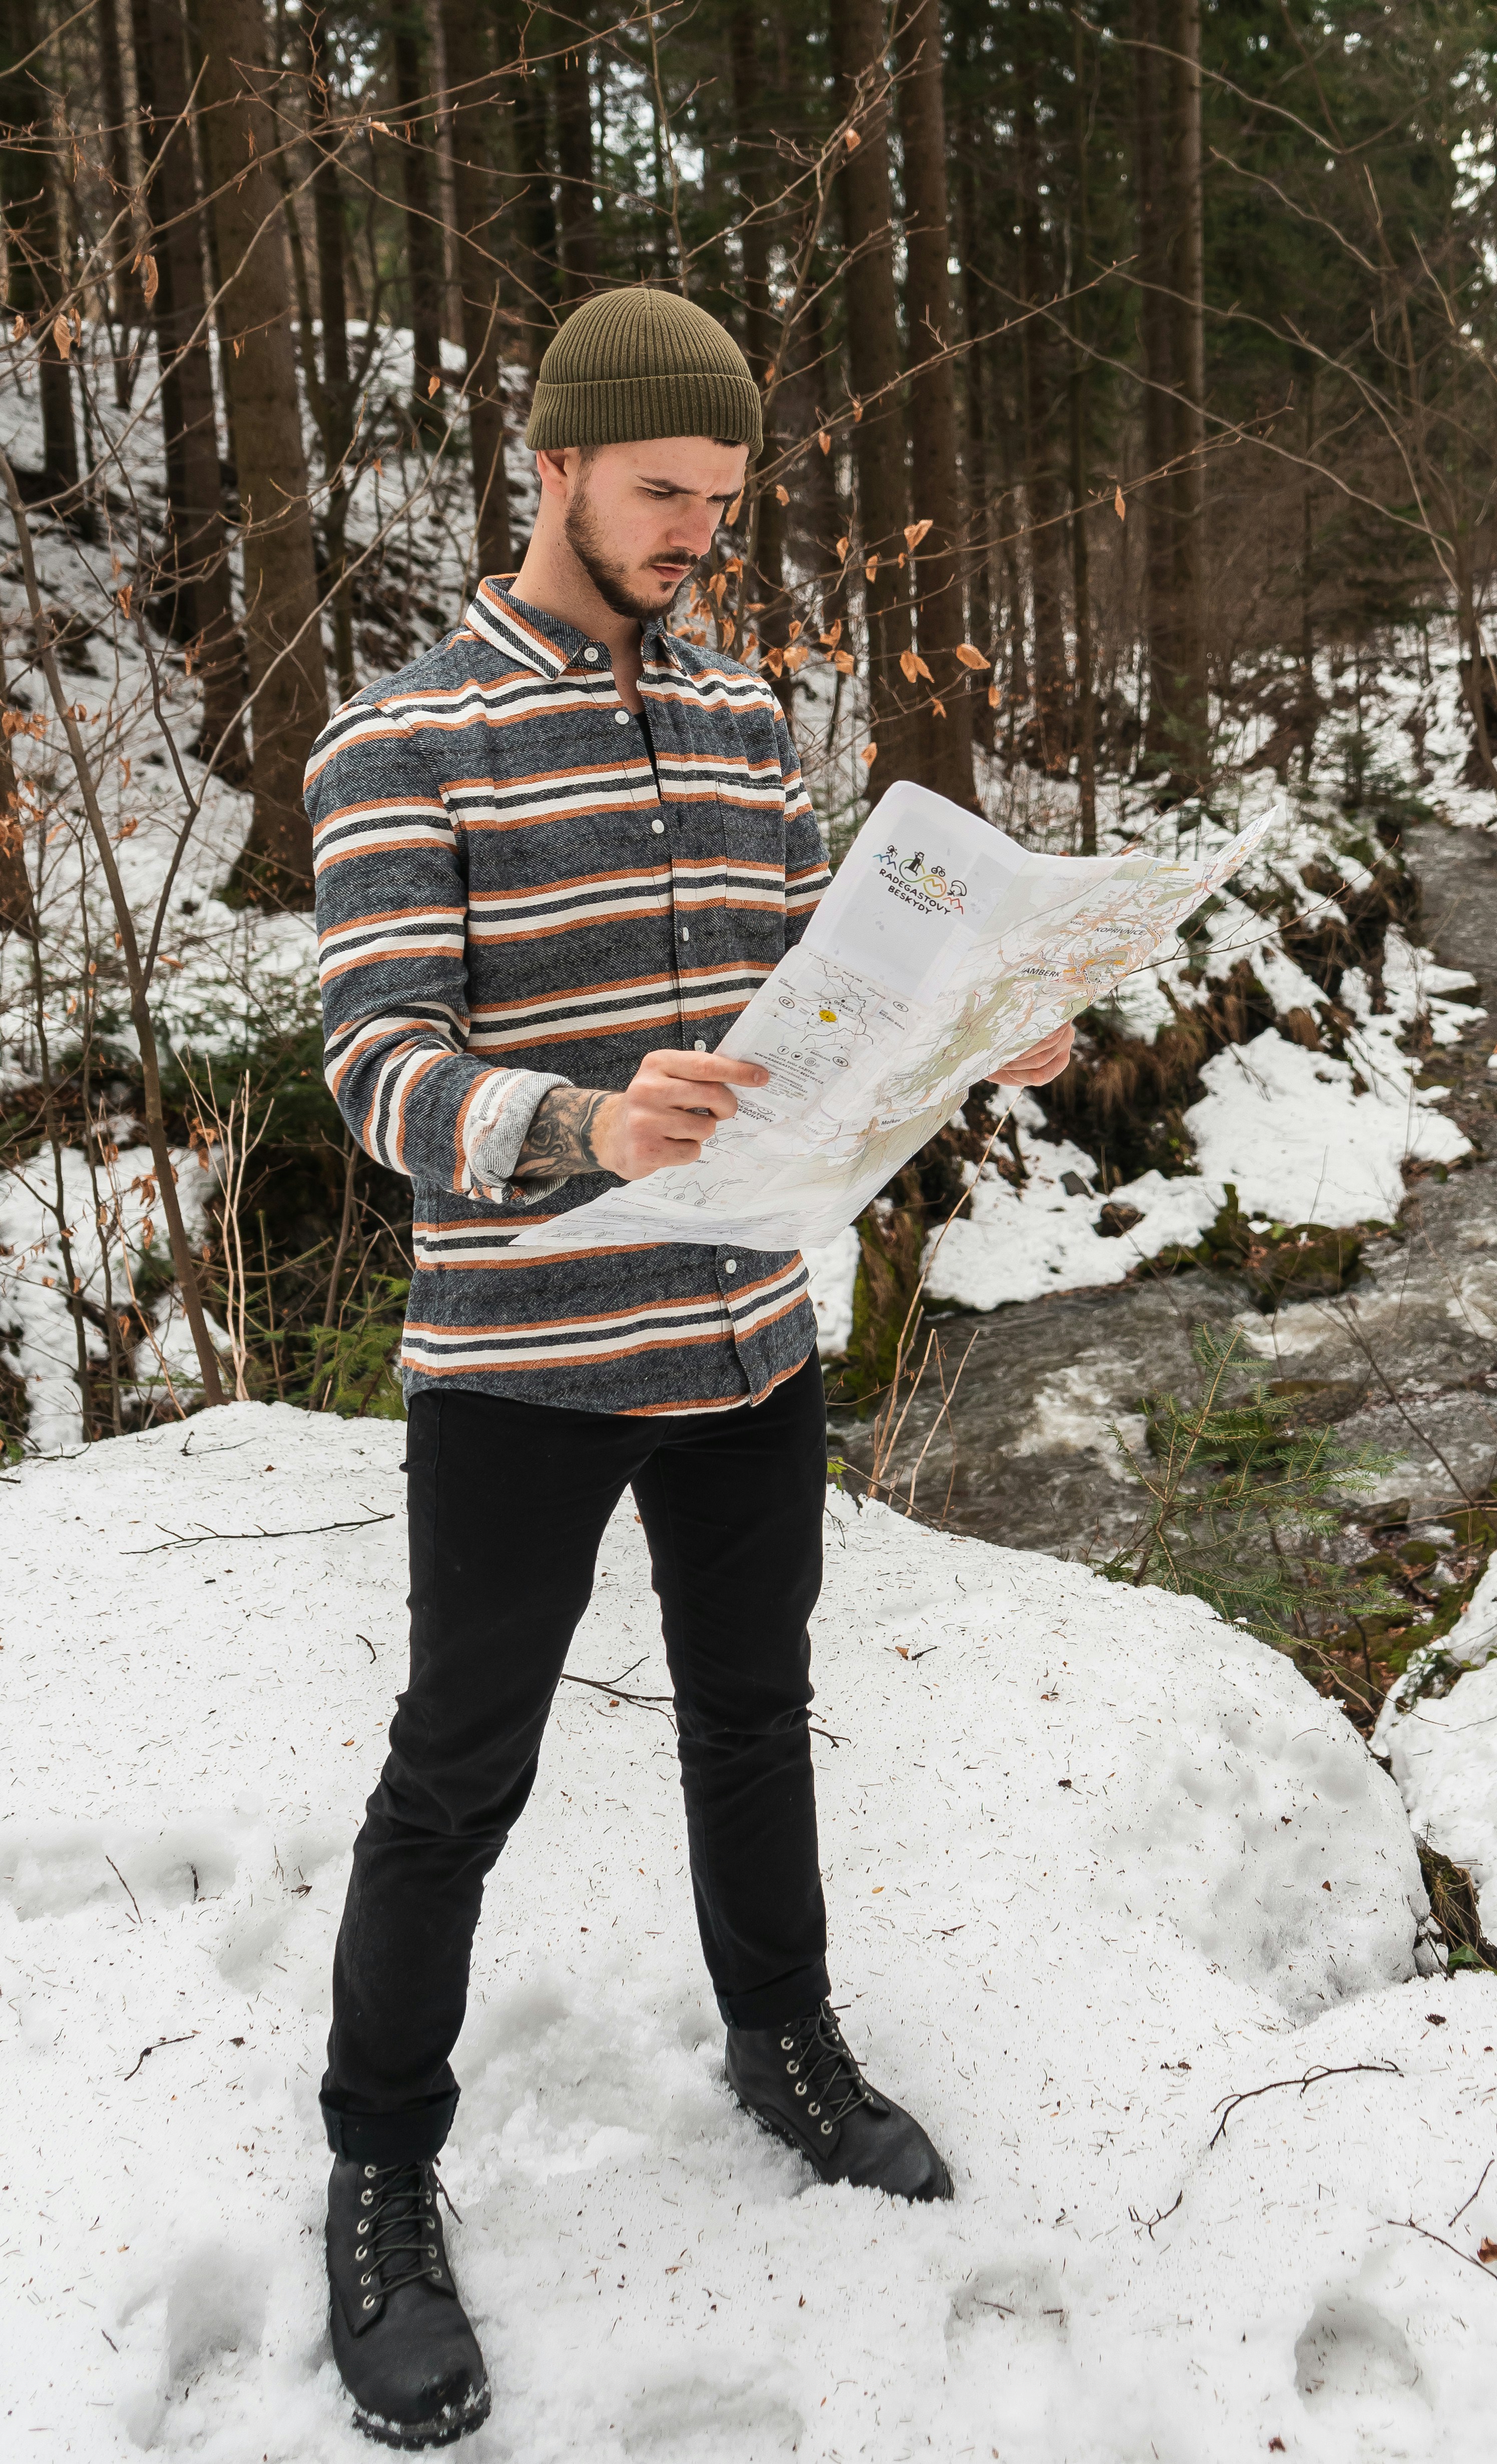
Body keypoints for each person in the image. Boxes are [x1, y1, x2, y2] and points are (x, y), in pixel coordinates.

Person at [305, 285, 1073, 2449]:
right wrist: (569, 1125)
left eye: (721, 505)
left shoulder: (749, 720)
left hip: (745, 1338)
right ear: (543, 466)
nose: (690, 537)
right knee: (454, 1774)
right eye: (658, 493)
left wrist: (965, 1033)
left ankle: (788, 2039)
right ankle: (380, 2173)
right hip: (520, 1362)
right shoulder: (401, 740)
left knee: (754, 1715)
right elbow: (373, 1061)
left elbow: (815, 1014)